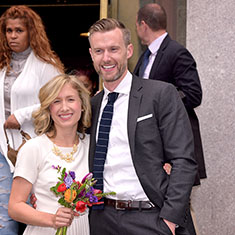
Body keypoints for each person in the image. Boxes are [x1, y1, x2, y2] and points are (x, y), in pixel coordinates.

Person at [88, 18, 197, 235]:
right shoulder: (93, 105)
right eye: (99, 51)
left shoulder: (160, 94)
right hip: (102, 219)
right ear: (91, 54)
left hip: (150, 219)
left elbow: (184, 160)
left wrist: (170, 219)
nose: (106, 58)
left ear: (128, 51)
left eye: (113, 49)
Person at [0, 5, 64, 234]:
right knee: (4, 220)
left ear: (31, 32)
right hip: (3, 150)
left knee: (35, 216)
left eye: (19, 30)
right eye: (8, 31)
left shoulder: (46, 66)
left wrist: (23, 115)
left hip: (34, 150)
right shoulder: (2, 65)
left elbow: (61, 100)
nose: (12, 36)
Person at [133, 3, 206, 186]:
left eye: (136, 25)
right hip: (151, 145)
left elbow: (193, 94)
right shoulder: (145, 57)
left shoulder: (177, 52)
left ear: (143, 24)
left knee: (180, 207)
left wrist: (159, 103)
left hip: (173, 143)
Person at [8, 74, 91, 235]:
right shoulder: (34, 148)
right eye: (56, 101)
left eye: (71, 99)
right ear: (48, 108)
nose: (64, 107)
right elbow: (14, 207)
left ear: (82, 105)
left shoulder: (91, 146)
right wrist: (52, 219)